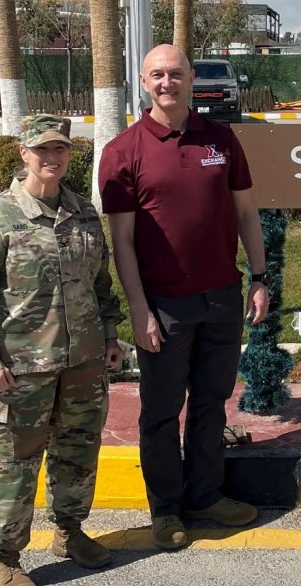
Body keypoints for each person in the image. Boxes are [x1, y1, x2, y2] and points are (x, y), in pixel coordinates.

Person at [98, 45, 268, 551]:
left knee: (212, 402)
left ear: (191, 77)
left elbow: (246, 215)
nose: (167, 82)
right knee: (160, 411)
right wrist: (139, 309)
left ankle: (205, 496)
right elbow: (122, 243)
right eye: (157, 75)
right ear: (143, 82)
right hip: (164, 307)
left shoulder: (220, 139)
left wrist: (259, 278)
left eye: (175, 73)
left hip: (220, 297)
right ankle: (166, 509)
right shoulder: (123, 151)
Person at [0, 115, 124, 586]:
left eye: (60, 150)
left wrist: (111, 336)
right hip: (16, 370)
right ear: (23, 153)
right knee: (10, 464)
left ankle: (69, 531)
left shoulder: (84, 213)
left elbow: (101, 285)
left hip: (82, 364)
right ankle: (5, 558)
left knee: (77, 454)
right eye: (42, 149)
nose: (52, 158)